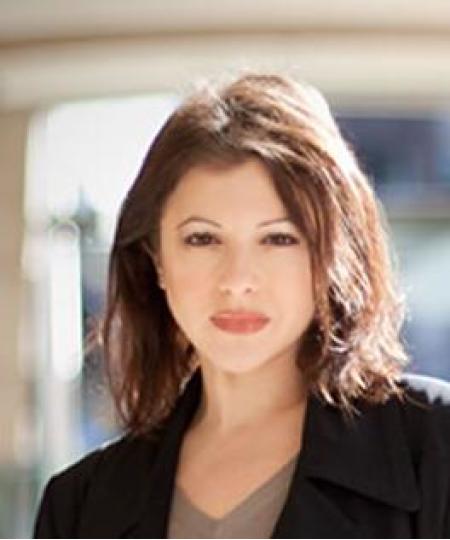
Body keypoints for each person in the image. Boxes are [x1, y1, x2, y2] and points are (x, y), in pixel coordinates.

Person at [33, 71, 450, 539]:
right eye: (202, 239)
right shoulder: (81, 504)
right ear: (156, 261)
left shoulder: (434, 449)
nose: (237, 281)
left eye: (278, 239)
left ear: (332, 255)